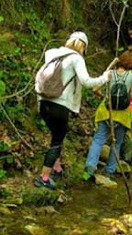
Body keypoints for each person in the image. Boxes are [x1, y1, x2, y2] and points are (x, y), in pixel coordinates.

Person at [35, 32, 110, 190]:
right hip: (60, 104)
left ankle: (57, 168)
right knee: (57, 139)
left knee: (57, 134)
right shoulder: (76, 58)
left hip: (43, 102)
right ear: (83, 46)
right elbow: (86, 82)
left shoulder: (51, 53)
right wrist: (105, 77)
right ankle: (44, 177)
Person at [83, 51, 132, 182]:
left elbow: (95, 89)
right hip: (122, 116)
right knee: (117, 143)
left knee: (98, 140)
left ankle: (89, 170)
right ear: (130, 64)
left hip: (105, 111)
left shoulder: (109, 73)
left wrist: (105, 98)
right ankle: (109, 171)